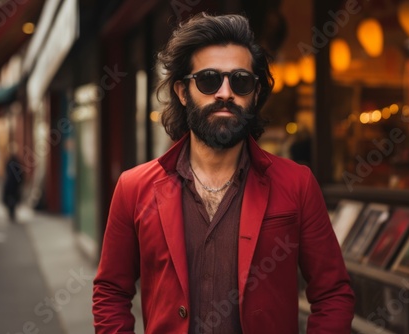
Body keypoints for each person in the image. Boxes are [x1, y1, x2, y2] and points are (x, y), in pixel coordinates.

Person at [93, 13, 355, 333]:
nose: (225, 93)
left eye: (240, 81)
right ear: (182, 91)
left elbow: (333, 294)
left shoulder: (297, 184)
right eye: (208, 79)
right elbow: (110, 292)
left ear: (255, 94)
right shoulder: (134, 187)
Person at [2, 153, 23, 222]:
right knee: (13, 200)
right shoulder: (17, 165)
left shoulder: (9, 164)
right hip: (14, 186)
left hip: (11, 185)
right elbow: (21, 175)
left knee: (10, 200)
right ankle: (12, 213)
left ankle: (11, 213)